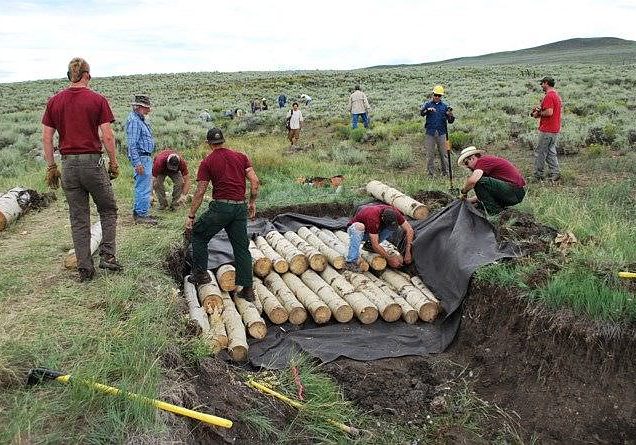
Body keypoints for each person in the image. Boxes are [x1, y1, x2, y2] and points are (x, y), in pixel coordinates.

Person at [42, 57, 122, 282]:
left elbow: (47, 138)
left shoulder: (54, 101)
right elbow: (107, 135)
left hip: (68, 165)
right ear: (86, 75)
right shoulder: (97, 100)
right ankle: (108, 256)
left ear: (70, 75)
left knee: (78, 217)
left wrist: (51, 166)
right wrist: (113, 162)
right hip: (92, 163)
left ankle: (85, 269)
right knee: (107, 209)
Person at [185, 128, 260, 301]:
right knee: (241, 248)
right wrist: (252, 202)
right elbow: (255, 182)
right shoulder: (241, 157)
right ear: (223, 141)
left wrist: (191, 215)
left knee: (199, 233)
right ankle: (247, 289)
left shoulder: (207, 161)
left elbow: (200, 190)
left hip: (221, 208)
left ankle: (201, 274)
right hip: (240, 207)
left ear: (209, 143)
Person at [457, 146, 526, 215]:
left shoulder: (482, 161)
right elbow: (484, 194)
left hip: (514, 191)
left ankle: (495, 213)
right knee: (480, 204)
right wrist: (469, 200)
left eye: (466, 163)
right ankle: (498, 213)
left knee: (479, 182)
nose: (467, 167)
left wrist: (464, 192)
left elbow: (473, 181)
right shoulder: (484, 167)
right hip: (515, 193)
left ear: (472, 158)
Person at [345, 204, 414, 271]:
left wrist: (408, 251)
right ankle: (351, 261)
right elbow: (375, 244)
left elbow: (409, 230)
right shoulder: (373, 218)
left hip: (374, 232)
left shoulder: (395, 213)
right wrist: (389, 259)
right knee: (359, 226)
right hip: (358, 232)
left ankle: (369, 246)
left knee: (392, 228)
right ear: (382, 218)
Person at [126, 94, 157, 224]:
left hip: (144, 156)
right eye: (146, 108)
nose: (148, 110)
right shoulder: (134, 120)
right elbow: (132, 144)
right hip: (142, 157)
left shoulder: (140, 119)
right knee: (143, 187)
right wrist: (137, 162)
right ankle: (141, 215)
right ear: (139, 107)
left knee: (144, 186)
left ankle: (141, 211)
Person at [531, 76, 562, 181]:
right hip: (554, 128)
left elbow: (549, 112)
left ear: (546, 83)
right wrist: (538, 112)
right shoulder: (556, 95)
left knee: (540, 152)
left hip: (547, 129)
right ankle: (555, 173)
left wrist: (538, 113)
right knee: (550, 151)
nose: (541, 85)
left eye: (542, 83)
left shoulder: (549, 96)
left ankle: (537, 175)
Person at [420, 85, 455, 176]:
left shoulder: (444, 106)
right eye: (435, 95)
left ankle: (446, 173)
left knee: (444, 154)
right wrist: (427, 110)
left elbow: (451, 121)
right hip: (430, 133)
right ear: (433, 94)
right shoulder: (428, 104)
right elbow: (422, 113)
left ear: (441, 96)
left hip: (442, 133)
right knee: (430, 155)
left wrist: (450, 115)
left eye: (439, 95)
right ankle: (430, 174)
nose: (437, 97)